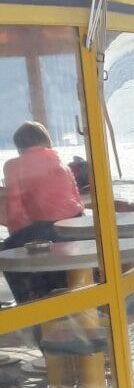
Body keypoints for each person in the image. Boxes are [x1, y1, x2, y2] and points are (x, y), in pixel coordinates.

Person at [1, 121, 82, 302]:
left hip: (48, 227)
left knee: (8, 252)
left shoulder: (12, 166)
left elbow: (14, 211)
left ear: (19, 146)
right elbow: (76, 198)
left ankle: (28, 302)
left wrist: (19, 238)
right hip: (75, 223)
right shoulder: (59, 160)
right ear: (45, 140)